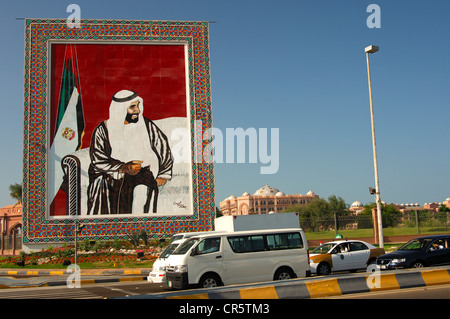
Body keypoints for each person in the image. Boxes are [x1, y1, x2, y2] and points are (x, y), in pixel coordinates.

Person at [87, 90, 173, 215]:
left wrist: (163, 174)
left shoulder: (147, 125)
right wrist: (123, 167)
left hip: (141, 174)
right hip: (112, 176)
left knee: (142, 191)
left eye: (138, 106)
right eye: (132, 107)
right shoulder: (103, 130)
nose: (138, 110)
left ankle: (141, 228)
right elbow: (98, 159)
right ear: (120, 109)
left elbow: (163, 148)